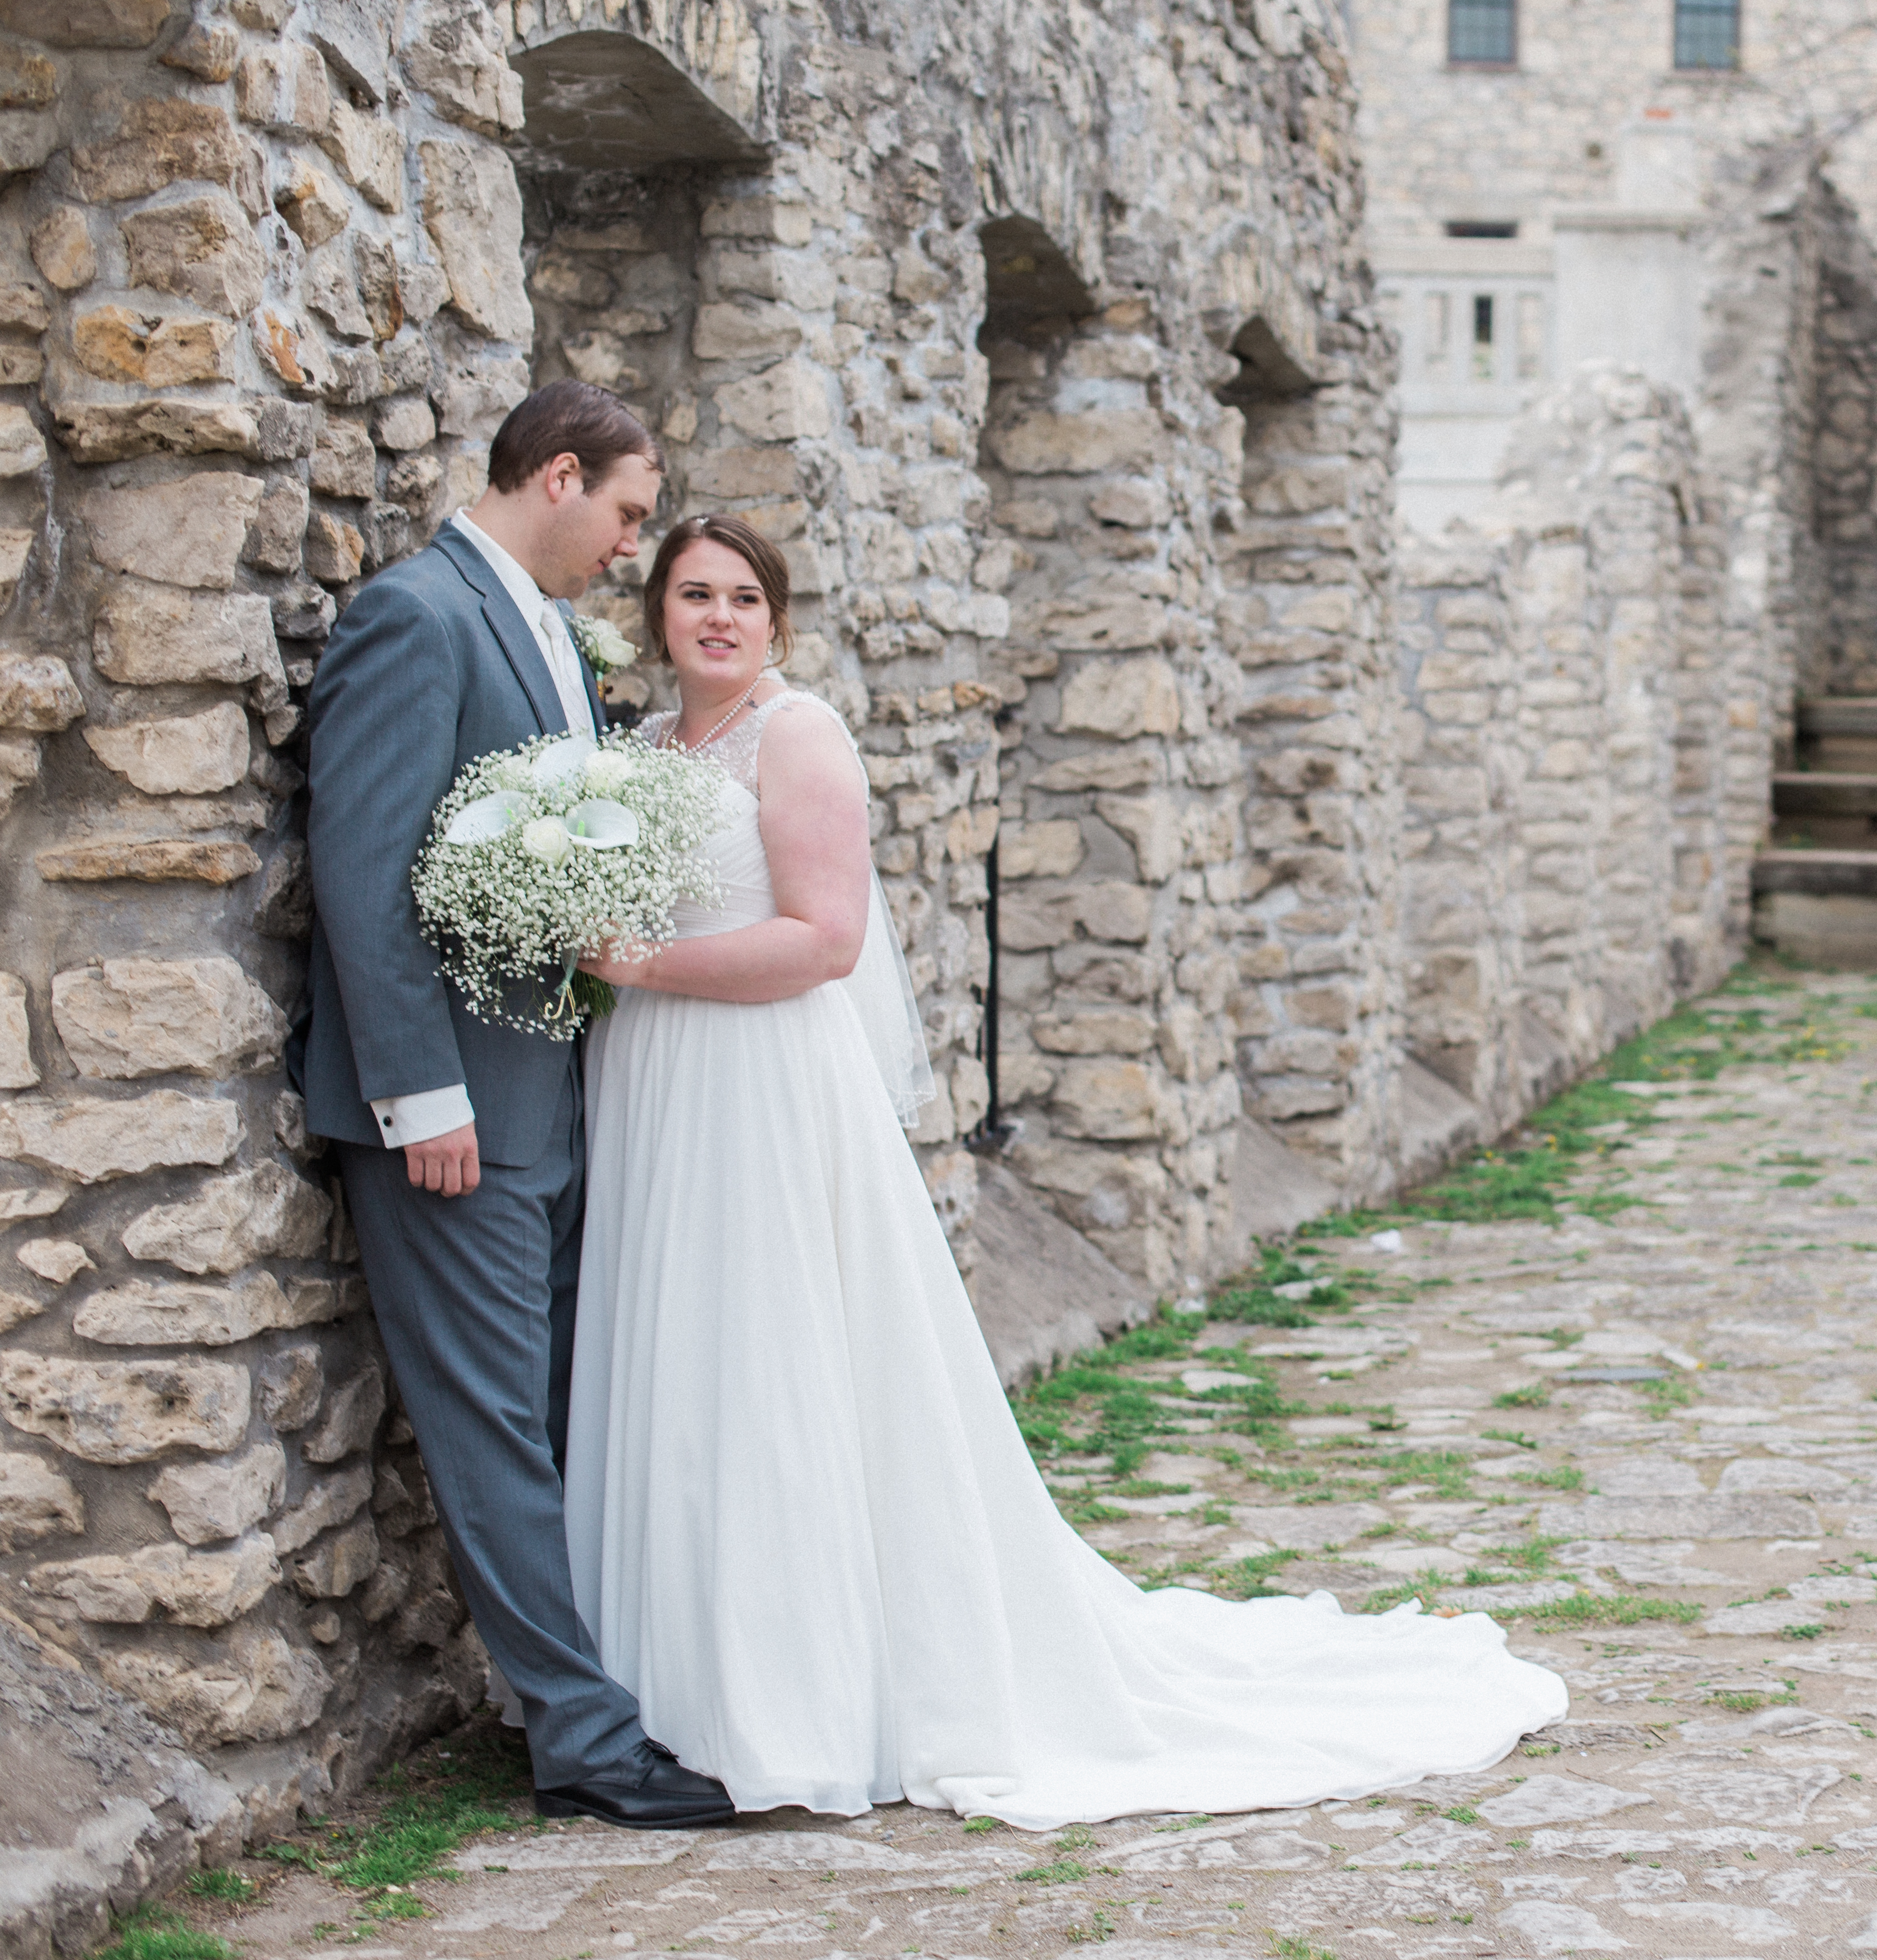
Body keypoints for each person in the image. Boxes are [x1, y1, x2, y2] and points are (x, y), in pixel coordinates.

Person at [563, 515, 1567, 1824]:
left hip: (758, 1083)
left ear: (777, 622)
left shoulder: (794, 734)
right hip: (654, 1086)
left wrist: (638, 966)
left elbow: (823, 940)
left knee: (772, 1358)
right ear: (655, 614)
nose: (717, 616)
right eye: (693, 593)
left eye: (743, 598)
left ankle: (789, 1699)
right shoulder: (640, 749)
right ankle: (665, 1686)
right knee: (677, 1356)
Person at [296, 382, 738, 1831]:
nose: (632, 546)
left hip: (552, 1092)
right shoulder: (415, 619)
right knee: (493, 1424)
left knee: (562, 1411)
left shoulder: (548, 630)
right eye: (624, 510)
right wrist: (419, 1093)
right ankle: (588, 1743)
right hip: (454, 1119)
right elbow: (364, 876)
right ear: (556, 476)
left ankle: (613, 1688)